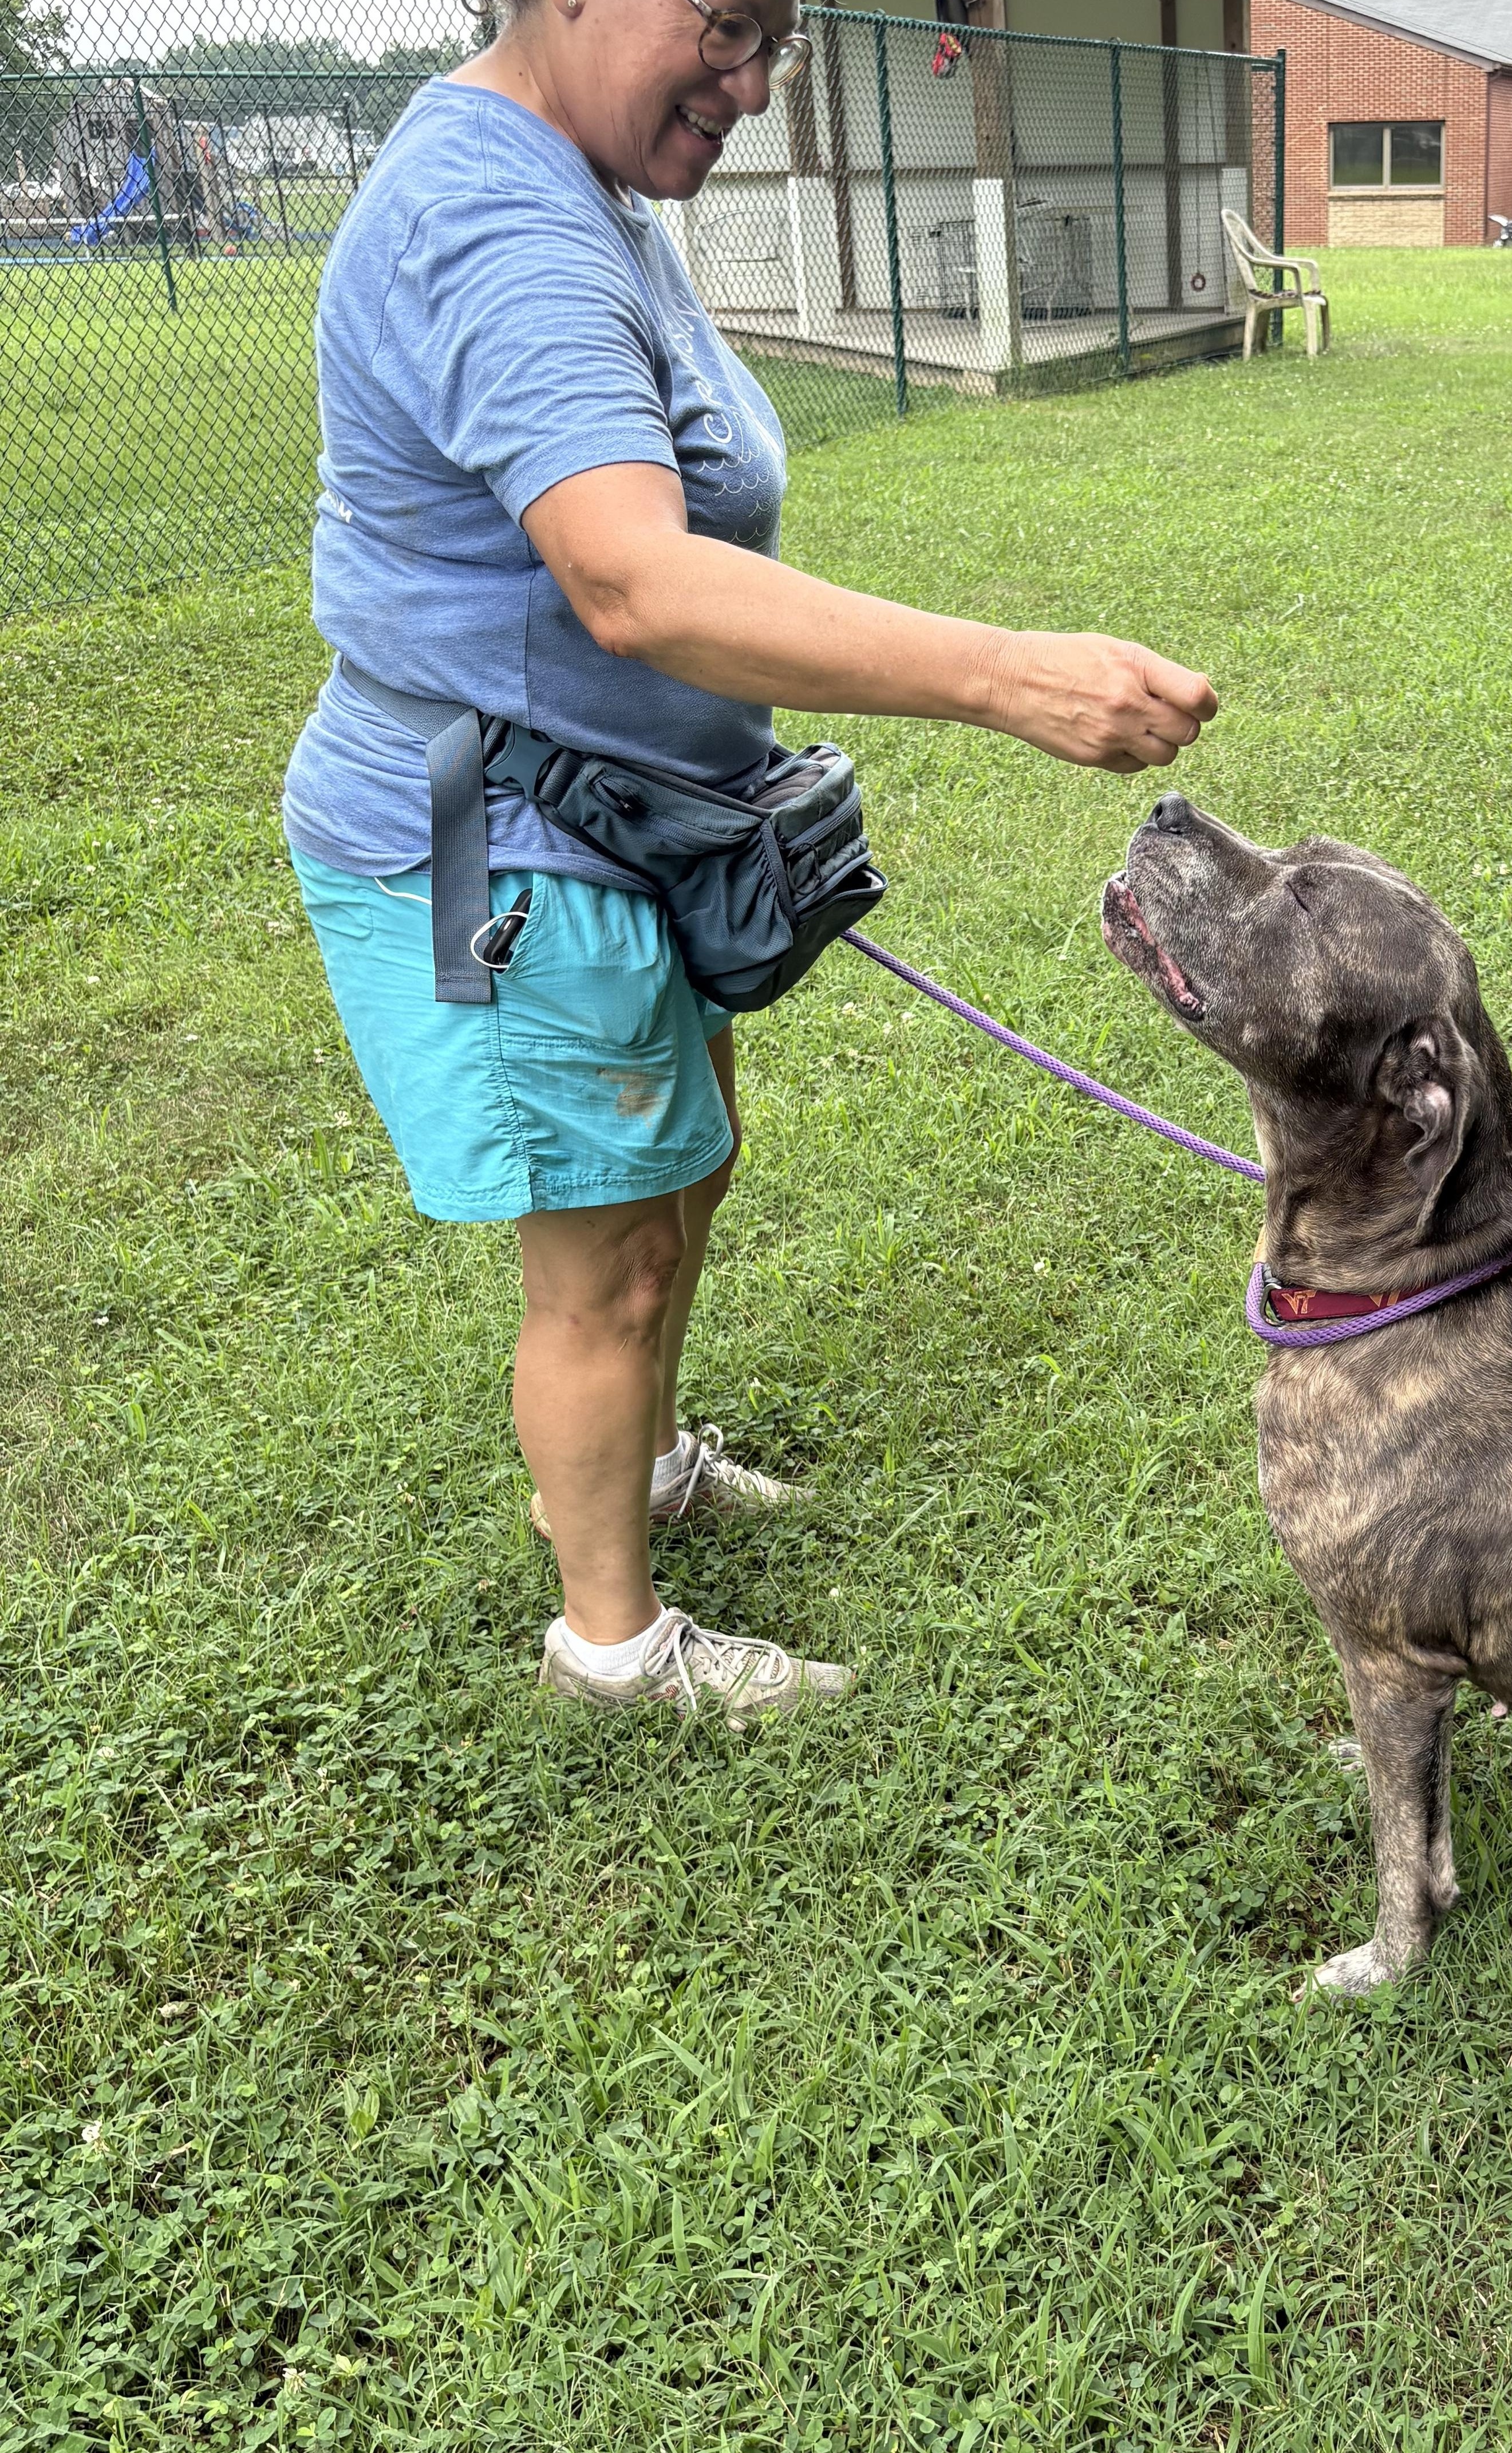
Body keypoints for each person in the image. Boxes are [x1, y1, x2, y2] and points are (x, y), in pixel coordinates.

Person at [282, 0, 1216, 1726]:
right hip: (495, 833)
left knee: (682, 1164)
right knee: (604, 1251)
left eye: (775, 38)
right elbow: (633, 581)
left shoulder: (590, 179)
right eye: (722, 24)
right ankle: (613, 1647)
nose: (753, 80)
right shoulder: (492, 217)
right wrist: (1013, 673)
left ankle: (637, 1462)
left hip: (635, 824)